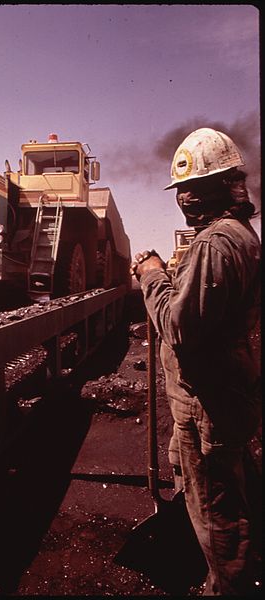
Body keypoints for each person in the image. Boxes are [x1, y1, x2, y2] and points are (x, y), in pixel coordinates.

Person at [130, 127, 261, 596]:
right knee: (205, 486)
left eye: (190, 188)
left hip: (209, 401)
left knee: (216, 507)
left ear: (216, 187)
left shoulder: (214, 244)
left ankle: (227, 585)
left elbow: (180, 327)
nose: (182, 198)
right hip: (221, 394)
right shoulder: (239, 236)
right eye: (180, 190)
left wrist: (152, 276)